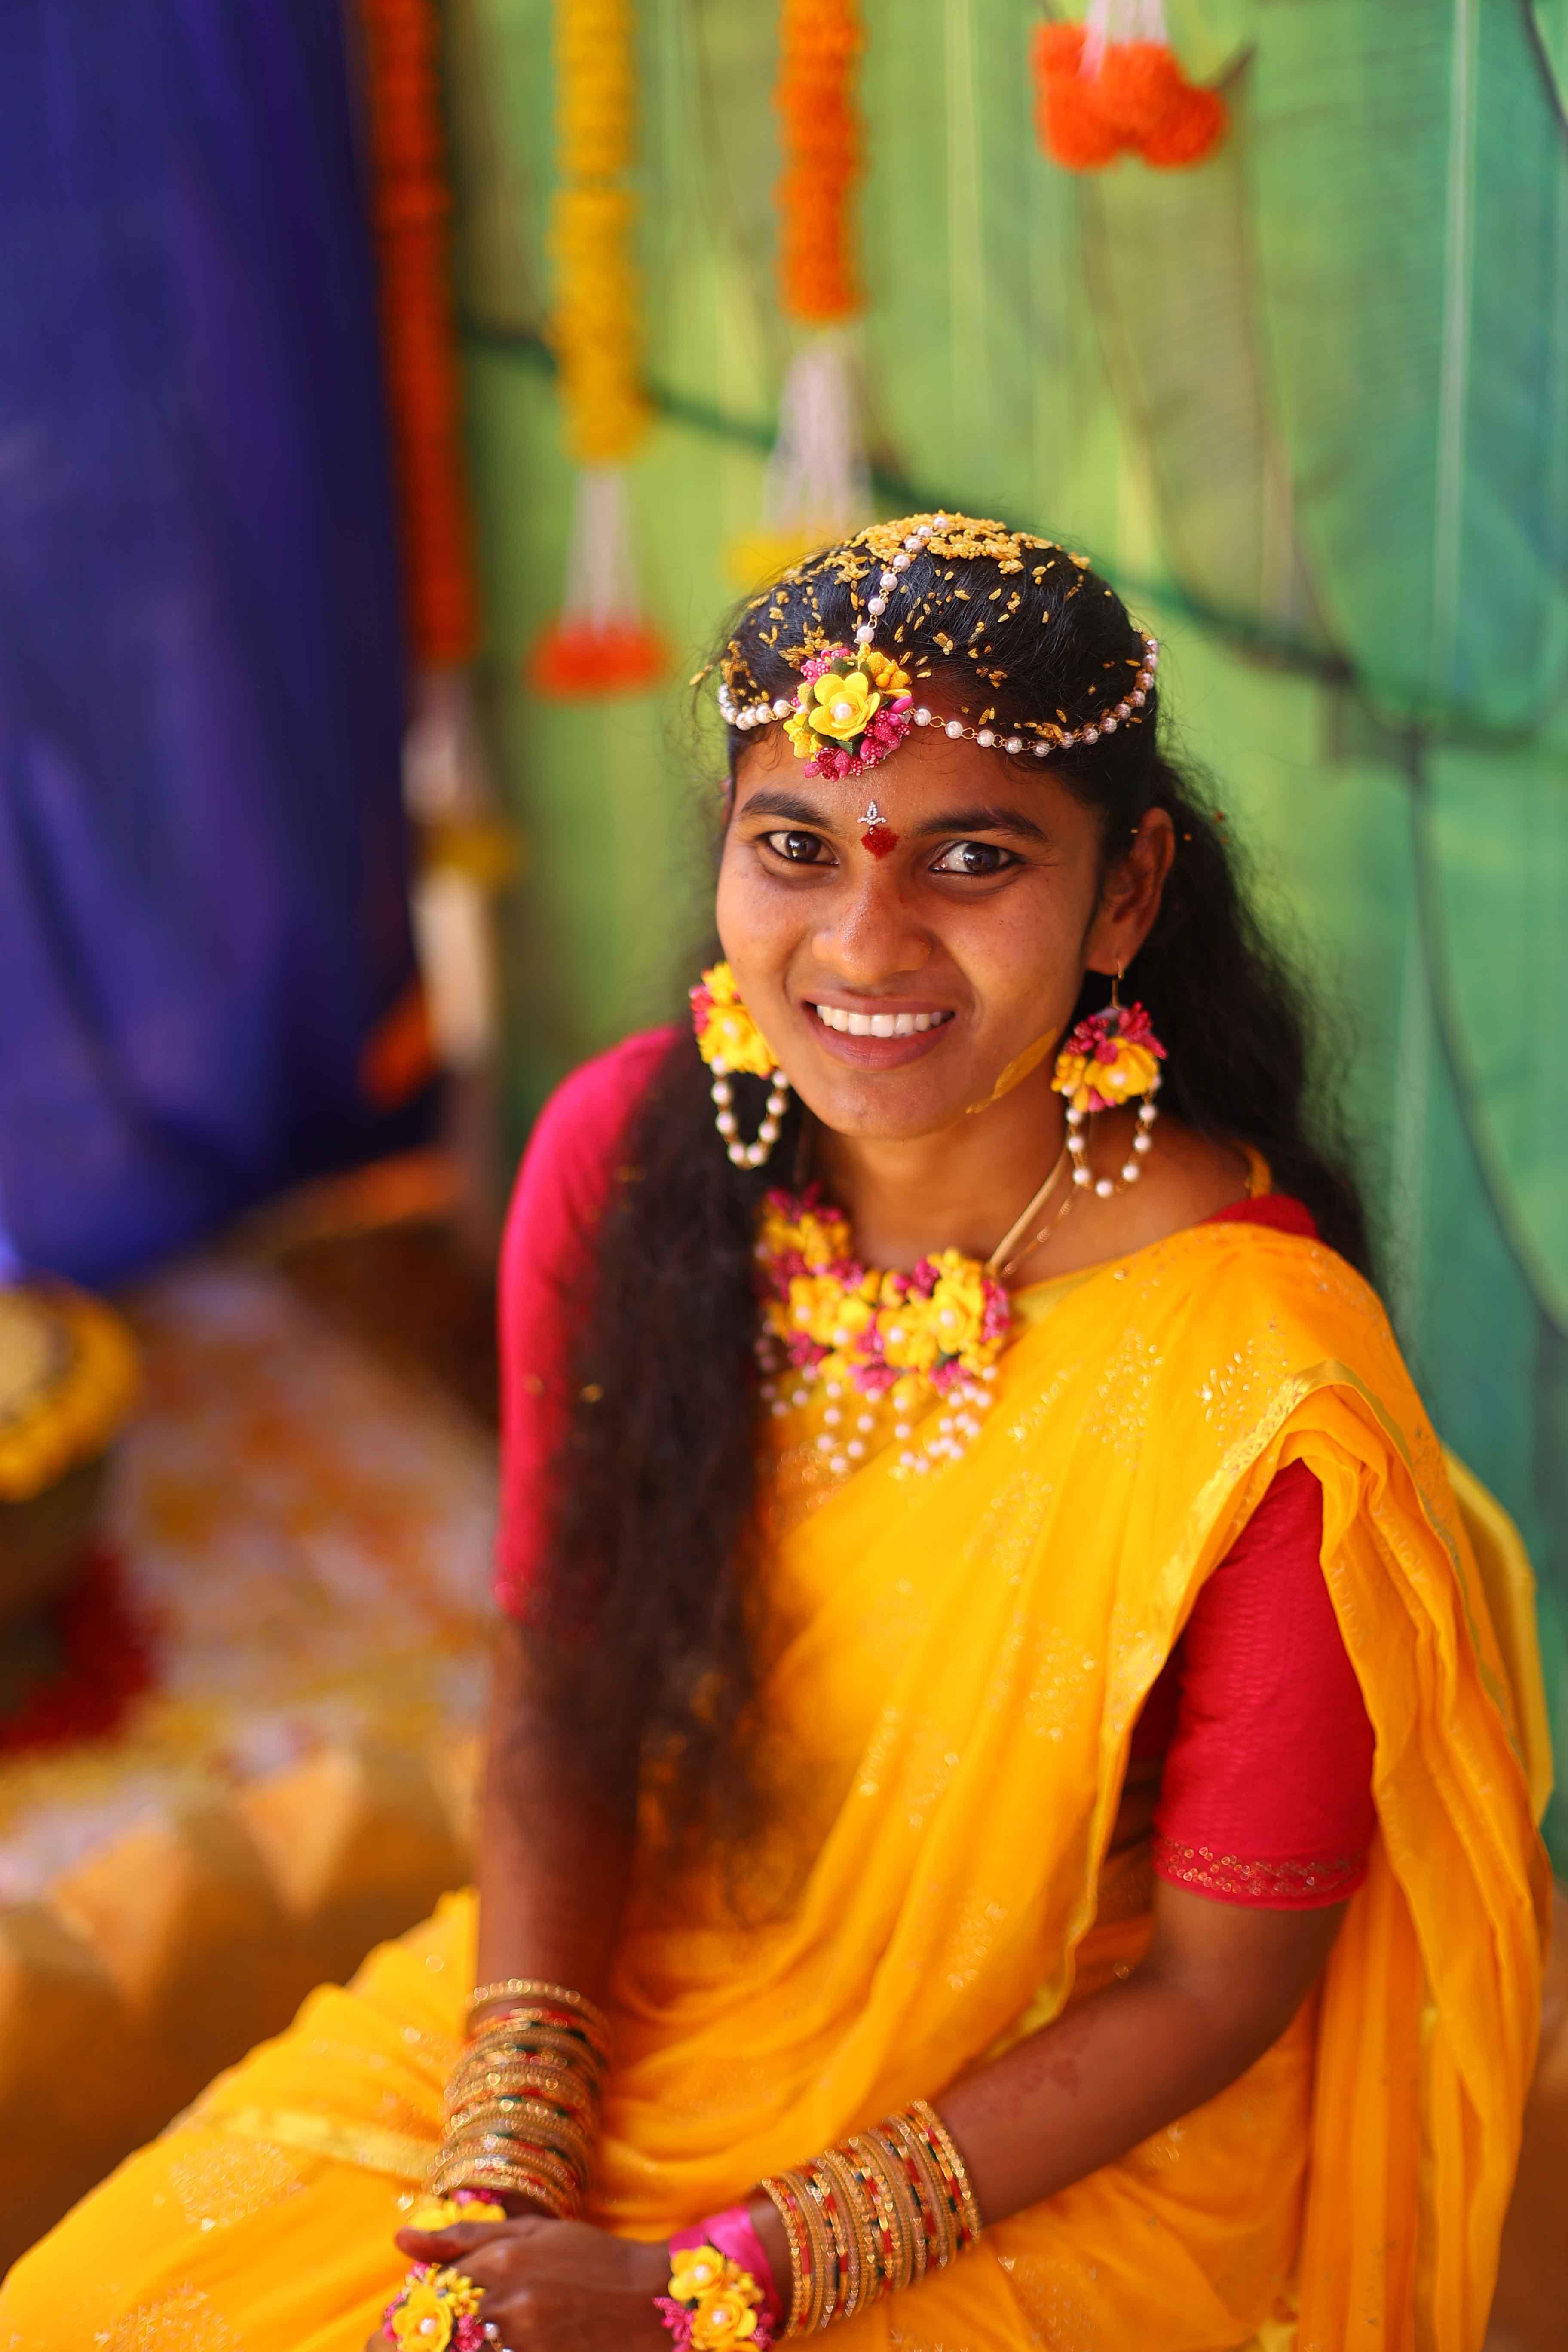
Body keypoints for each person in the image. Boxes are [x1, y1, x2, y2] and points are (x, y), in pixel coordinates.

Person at [0, 517, 1549, 2352]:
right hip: (640, 1974)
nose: (863, 943)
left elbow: (1217, 1995)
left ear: (1126, 895)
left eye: (974, 861)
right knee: (108, 2312)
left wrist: (716, 2290)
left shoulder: (1267, 1393)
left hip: (1063, 2110)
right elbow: (570, 1683)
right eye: (795, 850)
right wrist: (508, 2151)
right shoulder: (633, 1157)